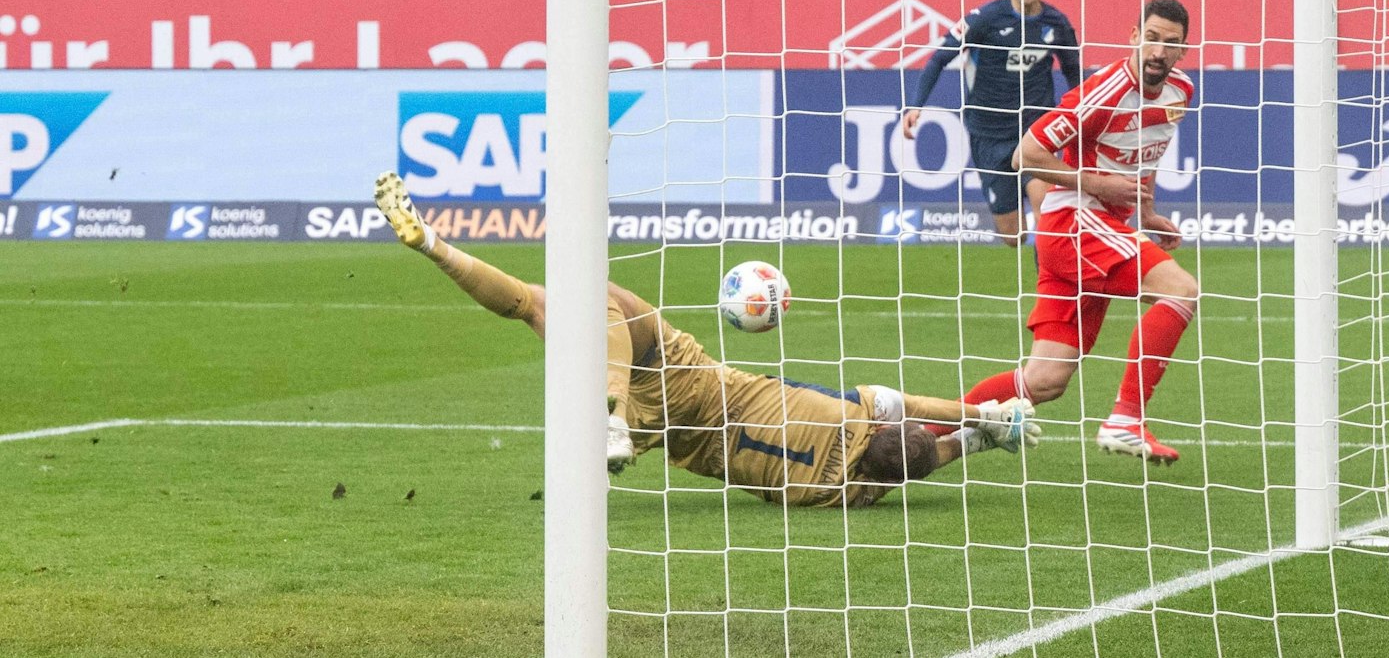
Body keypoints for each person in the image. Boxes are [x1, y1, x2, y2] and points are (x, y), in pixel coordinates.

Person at [372, 171, 1039, 505]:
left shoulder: (853, 420)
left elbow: (910, 408)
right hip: (678, 437)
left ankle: (609, 415)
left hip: (703, 389)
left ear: (881, 438)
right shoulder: (842, 493)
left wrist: (983, 419)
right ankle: (431, 242)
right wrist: (977, 440)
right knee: (542, 308)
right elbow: (919, 455)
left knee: (600, 299)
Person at [958, 0, 1198, 464]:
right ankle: (1126, 419)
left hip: (1099, 230)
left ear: (1183, 50)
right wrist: (1097, 183)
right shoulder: (1103, 91)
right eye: (1152, 37)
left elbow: (1142, 154)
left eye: (1171, 44)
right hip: (1074, 223)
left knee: (1044, 380)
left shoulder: (1180, 92)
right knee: (1180, 292)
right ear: (1134, 35)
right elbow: (1024, 155)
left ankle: (926, 430)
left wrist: (1146, 214)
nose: (1159, 51)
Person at [901, 0, 1080, 247]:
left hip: (1034, 131)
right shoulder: (984, 19)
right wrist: (916, 105)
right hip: (990, 134)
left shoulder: (1057, 23)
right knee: (1013, 235)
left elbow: (1073, 71)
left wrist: (1083, 114)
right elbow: (938, 59)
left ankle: (1052, 287)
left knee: (1045, 210)